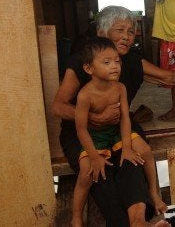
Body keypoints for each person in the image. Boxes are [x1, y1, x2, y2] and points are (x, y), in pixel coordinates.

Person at [52, 5, 175, 226]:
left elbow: (167, 77)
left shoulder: (131, 59)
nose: (126, 37)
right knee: (100, 173)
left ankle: (139, 221)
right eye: (119, 30)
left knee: (132, 162)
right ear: (102, 33)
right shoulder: (82, 62)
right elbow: (58, 106)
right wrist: (94, 118)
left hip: (119, 125)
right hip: (82, 132)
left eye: (131, 32)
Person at [71, 37, 166, 227]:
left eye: (117, 61)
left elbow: (124, 118)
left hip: (115, 131)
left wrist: (128, 147)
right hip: (95, 137)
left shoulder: (120, 88)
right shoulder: (85, 95)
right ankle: (76, 217)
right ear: (89, 69)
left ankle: (154, 193)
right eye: (106, 62)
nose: (114, 66)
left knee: (145, 151)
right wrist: (94, 157)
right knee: (86, 173)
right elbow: (81, 129)